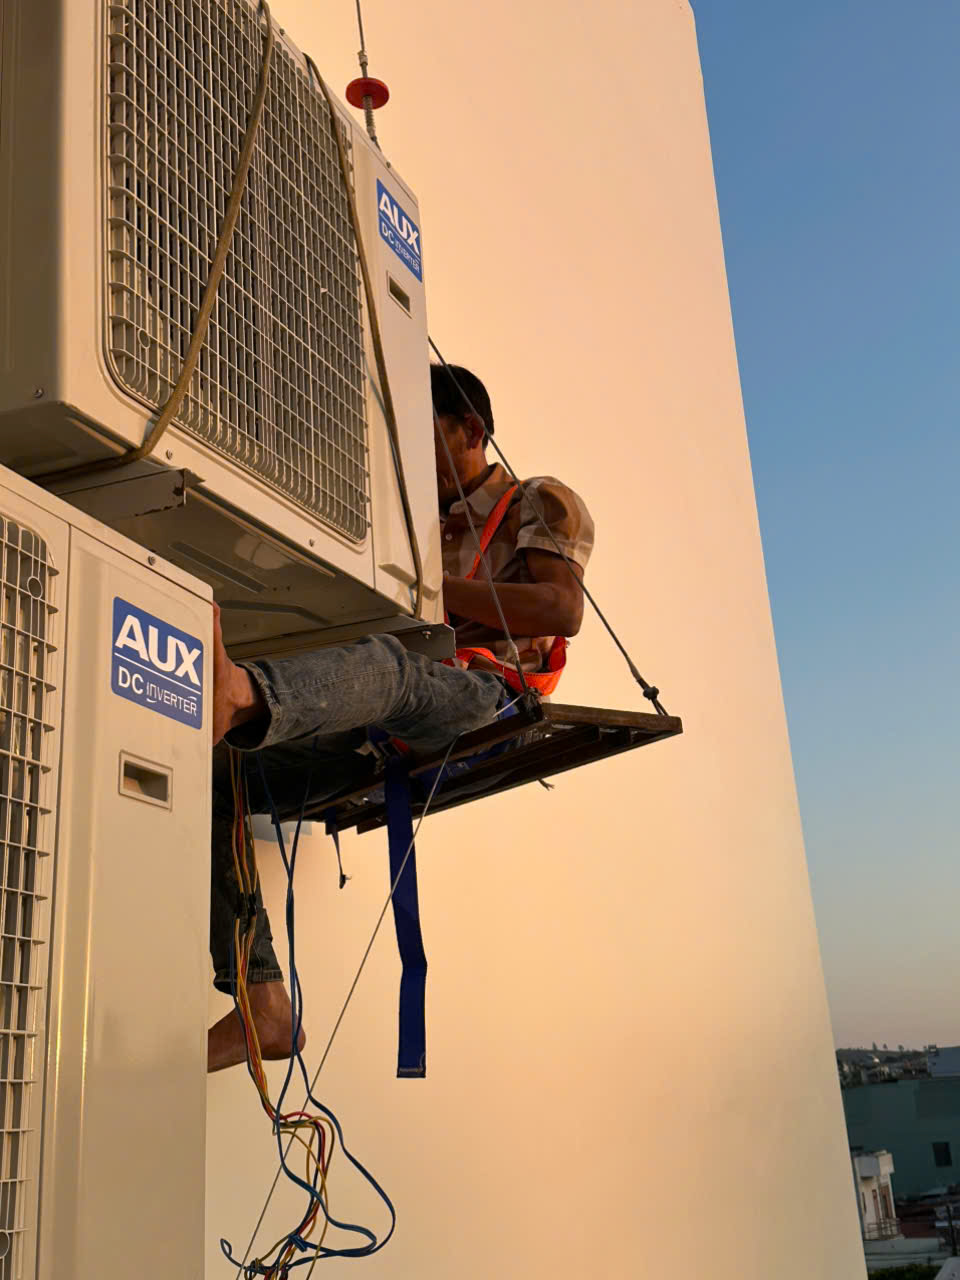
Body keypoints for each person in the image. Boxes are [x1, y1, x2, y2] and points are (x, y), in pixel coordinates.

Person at [207, 365, 595, 1071]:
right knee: (220, 773)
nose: (412, 456)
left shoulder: (538, 499)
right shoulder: (407, 514)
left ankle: (242, 693)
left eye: (426, 435)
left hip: (488, 694)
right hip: (390, 720)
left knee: (392, 669)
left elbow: (562, 608)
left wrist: (427, 590)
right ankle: (263, 1002)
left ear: (472, 431)